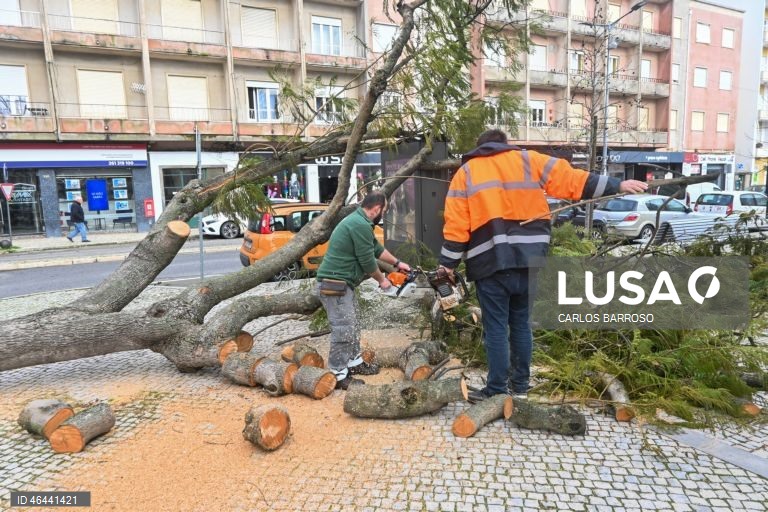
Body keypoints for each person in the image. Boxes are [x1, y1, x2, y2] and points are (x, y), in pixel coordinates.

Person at [438, 129, 647, 402]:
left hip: (491, 264)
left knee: (497, 327)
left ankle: (498, 389)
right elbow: (571, 179)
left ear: (480, 148)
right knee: (522, 324)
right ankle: (521, 388)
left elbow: (456, 227)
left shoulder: (466, 173)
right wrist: (616, 185)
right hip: (530, 261)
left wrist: (447, 266)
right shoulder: (529, 160)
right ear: (505, 144)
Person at [316, 191, 412, 390]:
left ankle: (354, 362)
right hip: (334, 284)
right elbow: (367, 260)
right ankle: (338, 373)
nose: (382, 214)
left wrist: (398, 263)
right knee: (344, 328)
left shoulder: (359, 222)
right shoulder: (359, 224)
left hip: (344, 284)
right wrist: (383, 281)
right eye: (383, 211)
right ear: (376, 209)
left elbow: (376, 248)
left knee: (353, 323)